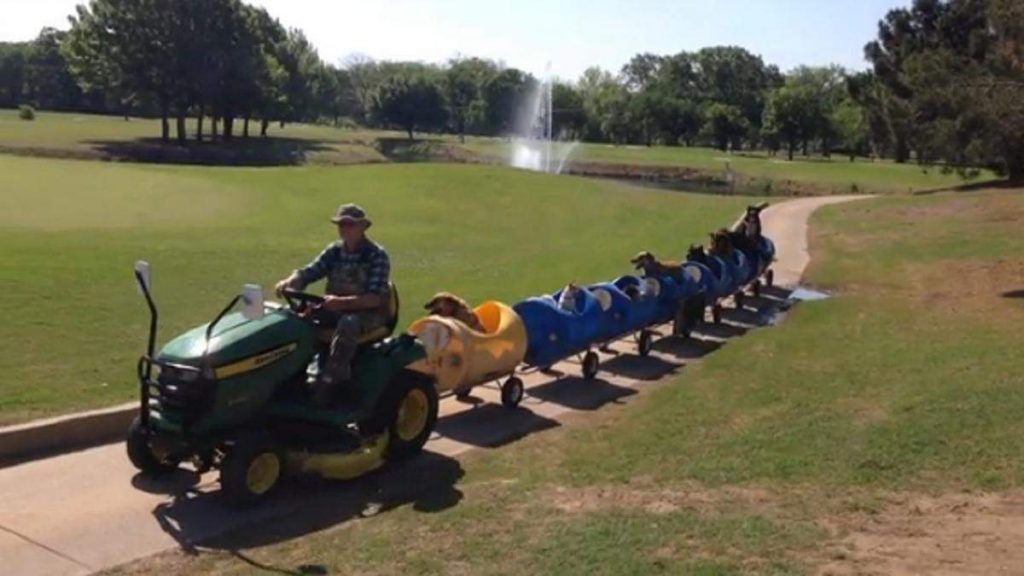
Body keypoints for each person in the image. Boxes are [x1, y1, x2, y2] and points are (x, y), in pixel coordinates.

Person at [275, 204, 390, 405]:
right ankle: (291, 374)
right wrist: (290, 282)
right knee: (292, 318)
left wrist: (340, 303)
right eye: (341, 225)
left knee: (349, 323)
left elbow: (374, 298)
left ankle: (332, 381)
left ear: (362, 227)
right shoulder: (334, 251)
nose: (344, 229)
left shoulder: (376, 256)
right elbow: (310, 271)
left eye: (349, 224)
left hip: (368, 314)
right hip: (333, 307)